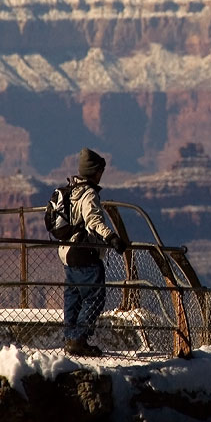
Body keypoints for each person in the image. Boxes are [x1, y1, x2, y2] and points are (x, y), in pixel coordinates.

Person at [59, 147, 127, 357]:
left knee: (74, 296)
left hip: (66, 252)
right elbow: (94, 221)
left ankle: (70, 338)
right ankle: (78, 340)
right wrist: (112, 238)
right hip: (83, 253)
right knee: (95, 297)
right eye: (100, 170)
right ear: (94, 171)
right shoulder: (88, 194)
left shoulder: (71, 190)